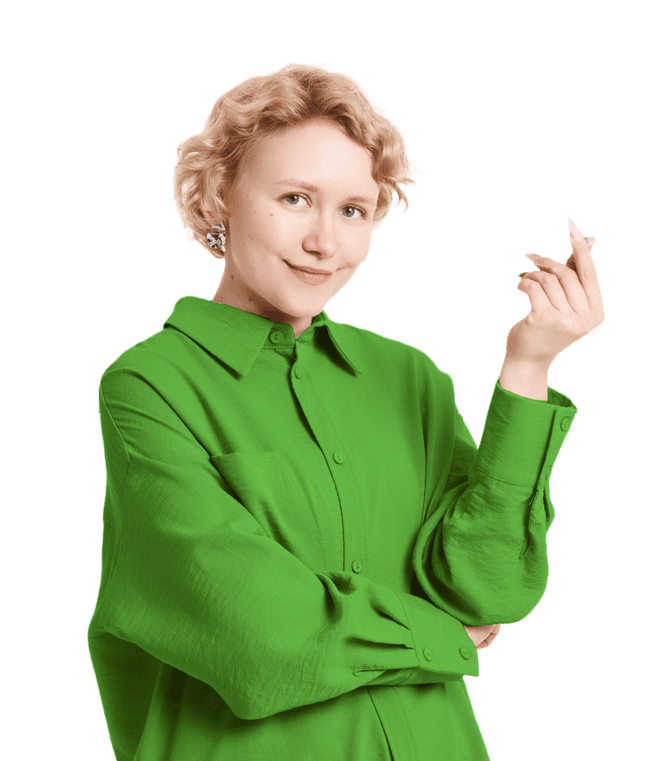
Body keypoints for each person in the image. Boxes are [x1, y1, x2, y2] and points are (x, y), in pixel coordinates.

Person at [87, 62, 605, 760]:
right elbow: (255, 632)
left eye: (353, 210)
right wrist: (437, 636)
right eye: (296, 198)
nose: (324, 244)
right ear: (217, 195)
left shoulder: (409, 376)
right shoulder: (149, 384)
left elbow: (489, 589)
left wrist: (528, 368)